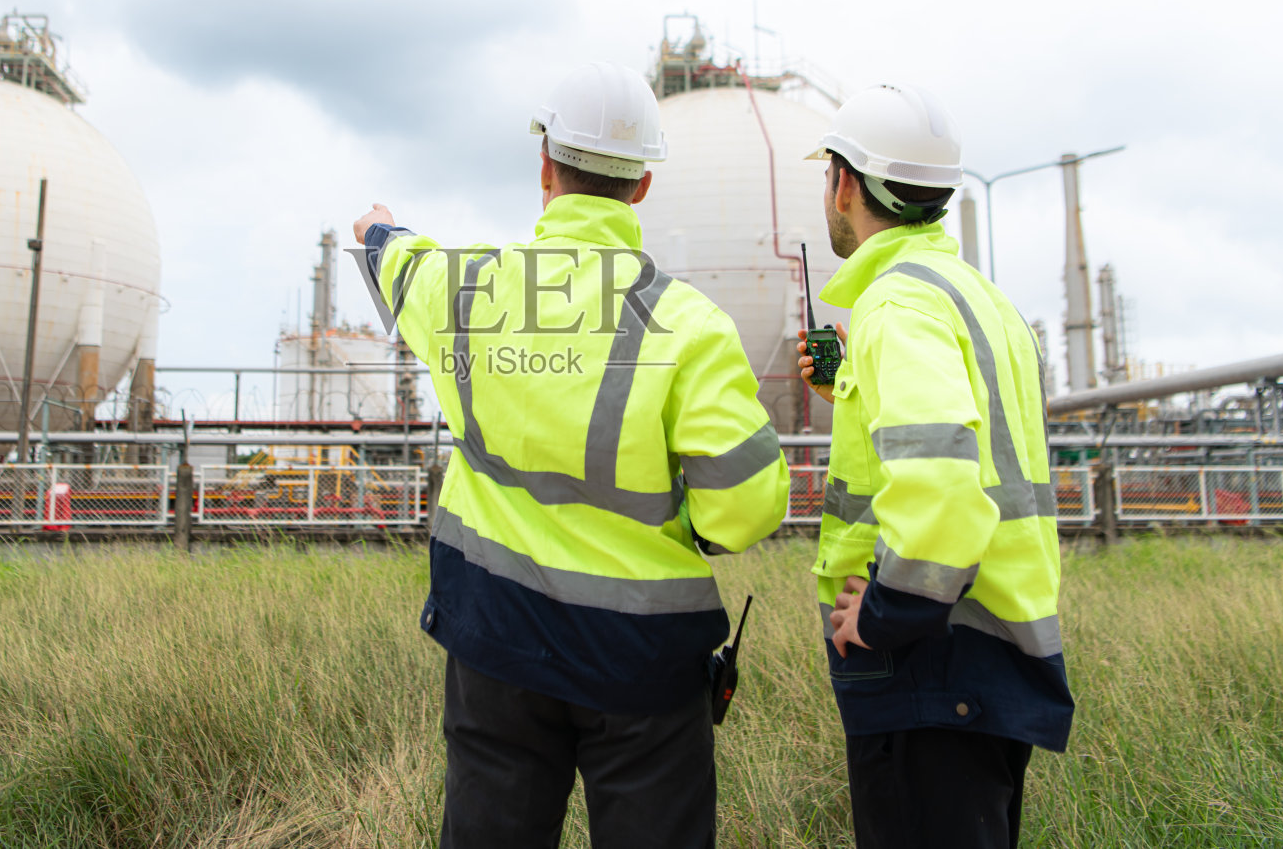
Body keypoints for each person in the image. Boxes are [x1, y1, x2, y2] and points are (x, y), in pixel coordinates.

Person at [352, 62, 790, 848]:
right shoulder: (690, 326)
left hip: (497, 639)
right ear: (642, 185)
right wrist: (695, 524)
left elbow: (401, 262)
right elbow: (749, 505)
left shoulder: (467, 289)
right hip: (643, 658)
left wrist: (377, 229)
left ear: (545, 168)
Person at [795, 85, 1073, 849]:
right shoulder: (982, 300)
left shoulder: (896, 308)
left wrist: (886, 614)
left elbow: (945, 487)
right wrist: (847, 386)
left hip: (929, 657)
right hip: (996, 644)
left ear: (844, 185)